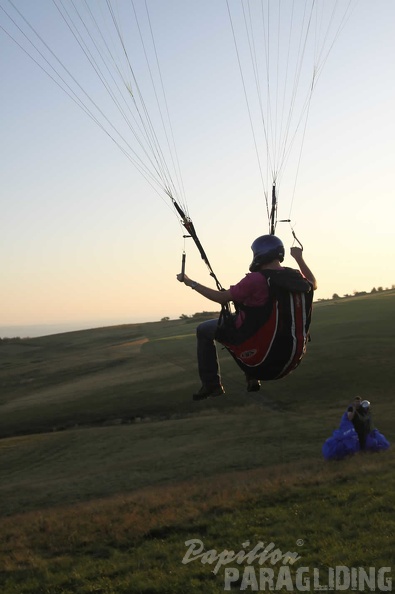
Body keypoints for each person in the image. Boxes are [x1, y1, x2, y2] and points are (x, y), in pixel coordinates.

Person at [176, 234, 317, 401]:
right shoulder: (294, 276)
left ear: (258, 254)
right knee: (243, 323)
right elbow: (312, 283)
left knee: (204, 330)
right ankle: (250, 377)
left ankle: (212, 385)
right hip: (290, 360)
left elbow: (221, 298)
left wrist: (189, 282)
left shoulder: (256, 280)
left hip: (263, 363)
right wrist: (299, 258)